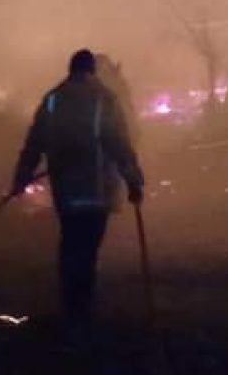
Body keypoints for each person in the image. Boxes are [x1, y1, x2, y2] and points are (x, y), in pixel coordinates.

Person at [9, 49, 145, 326]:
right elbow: (119, 143)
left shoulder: (53, 99)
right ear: (92, 71)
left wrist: (21, 178)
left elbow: (34, 143)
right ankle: (82, 306)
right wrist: (133, 180)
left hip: (66, 191)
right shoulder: (105, 99)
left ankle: (69, 303)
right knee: (89, 246)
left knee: (70, 241)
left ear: (70, 71)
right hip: (97, 191)